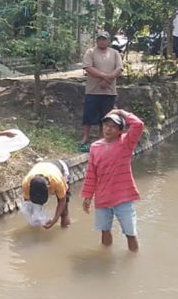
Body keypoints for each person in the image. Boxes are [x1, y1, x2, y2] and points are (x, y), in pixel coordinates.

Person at [81, 109, 144, 252]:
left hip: (124, 197)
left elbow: (138, 125)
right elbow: (92, 174)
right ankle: (105, 256)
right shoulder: (95, 147)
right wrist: (87, 197)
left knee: (130, 233)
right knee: (104, 231)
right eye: (106, 125)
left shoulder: (125, 143)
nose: (108, 129)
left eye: (113, 126)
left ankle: (132, 260)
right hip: (102, 197)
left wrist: (122, 112)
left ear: (120, 131)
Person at [80, 31, 123, 152]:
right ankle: (85, 137)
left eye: (104, 39)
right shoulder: (90, 52)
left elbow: (119, 68)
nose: (102, 41)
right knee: (88, 116)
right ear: (97, 40)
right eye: (100, 39)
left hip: (109, 92)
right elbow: (88, 68)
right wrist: (105, 76)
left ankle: (101, 137)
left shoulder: (115, 53)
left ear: (109, 41)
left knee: (105, 117)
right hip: (92, 91)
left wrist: (108, 81)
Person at [20, 159, 72, 229]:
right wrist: (34, 219)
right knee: (34, 215)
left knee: (64, 212)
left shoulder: (57, 181)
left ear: (48, 188)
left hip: (60, 168)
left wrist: (54, 220)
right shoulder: (26, 183)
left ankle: (65, 228)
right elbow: (28, 202)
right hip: (41, 167)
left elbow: (62, 200)